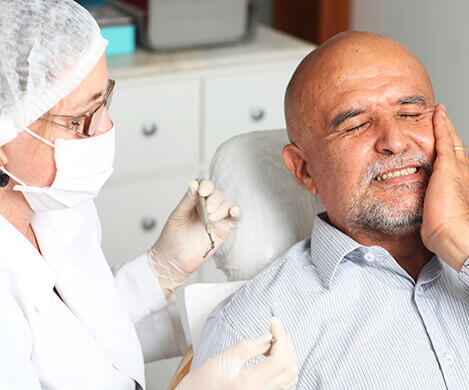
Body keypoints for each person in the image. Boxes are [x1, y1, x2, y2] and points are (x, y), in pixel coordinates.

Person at [191, 31, 469, 388]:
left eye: (410, 113)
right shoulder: (254, 326)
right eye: (356, 124)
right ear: (304, 169)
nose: (394, 140)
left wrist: (461, 236)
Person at [0, 1, 297, 389]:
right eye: (81, 119)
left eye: (104, 100)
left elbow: (84, 337)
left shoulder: (53, 204)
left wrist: (162, 269)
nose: (105, 127)